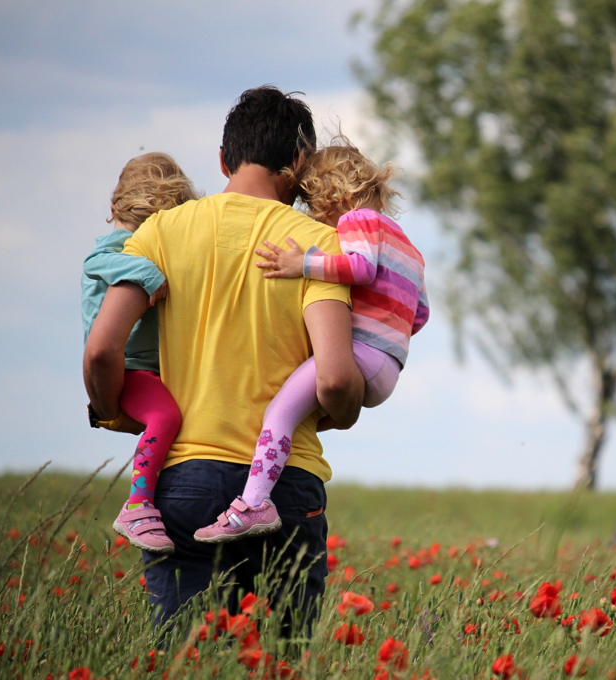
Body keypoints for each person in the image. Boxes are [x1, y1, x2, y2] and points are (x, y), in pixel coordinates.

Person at [83, 86, 364, 632]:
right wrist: (346, 408)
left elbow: (100, 348)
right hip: (285, 486)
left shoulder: (160, 232)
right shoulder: (318, 246)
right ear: (300, 164)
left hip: (183, 480)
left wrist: (113, 409)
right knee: (282, 661)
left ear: (222, 159)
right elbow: (333, 378)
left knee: (188, 657)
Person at [193, 142, 430, 543]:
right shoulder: (409, 246)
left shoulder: (358, 221)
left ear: (330, 194)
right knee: (301, 414)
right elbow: (419, 314)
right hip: (389, 366)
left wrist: (300, 263)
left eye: (313, 203)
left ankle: (253, 504)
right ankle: (266, 483)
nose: (316, 216)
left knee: (279, 413)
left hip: (360, 355)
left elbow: (360, 267)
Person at [81, 152, 198, 554]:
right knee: (166, 416)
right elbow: (97, 261)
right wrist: (149, 273)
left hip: (149, 369)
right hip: (129, 369)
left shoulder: (138, 243)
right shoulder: (117, 248)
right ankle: (138, 505)